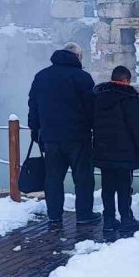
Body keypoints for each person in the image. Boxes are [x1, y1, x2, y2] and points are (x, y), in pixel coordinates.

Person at [27, 42, 100, 225]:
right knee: (83, 177)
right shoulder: (82, 78)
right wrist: (94, 128)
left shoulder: (41, 76)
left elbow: (33, 106)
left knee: (53, 178)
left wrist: (35, 130)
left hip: (50, 137)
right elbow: (92, 107)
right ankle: (84, 215)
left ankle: (54, 215)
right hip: (78, 137)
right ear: (77, 57)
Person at [92, 66, 139, 233]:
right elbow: (137, 128)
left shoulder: (98, 97)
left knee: (107, 187)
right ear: (125, 80)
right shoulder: (129, 98)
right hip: (125, 152)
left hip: (103, 150)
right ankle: (126, 218)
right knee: (124, 187)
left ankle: (109, 220)